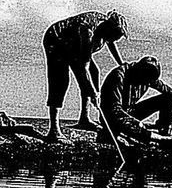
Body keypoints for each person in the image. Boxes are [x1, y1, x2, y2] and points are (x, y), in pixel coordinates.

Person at [41, 10, 128, 141]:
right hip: (56, 39)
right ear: (108, 29)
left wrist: (122, 64)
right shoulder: (88, 31)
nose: (114, 40)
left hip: (73, 44)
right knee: (61, 81)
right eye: (114, 36)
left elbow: (110, 42)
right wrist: (93, 93)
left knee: (95, 72)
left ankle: (84, 118)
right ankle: (53, 130)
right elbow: (83, 67)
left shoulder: (107, 28)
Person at [96, 55, 172, 148]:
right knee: (126, 124)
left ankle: (165, 132)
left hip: (130, 111)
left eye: (148, 82)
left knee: (166, 99)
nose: (146, 84)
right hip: (112, 118)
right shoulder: (118, 76)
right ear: (139, 73)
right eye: (144, 81)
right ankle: (160, 139)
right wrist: (136, 123)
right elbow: (113, 110)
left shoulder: (148, 77)